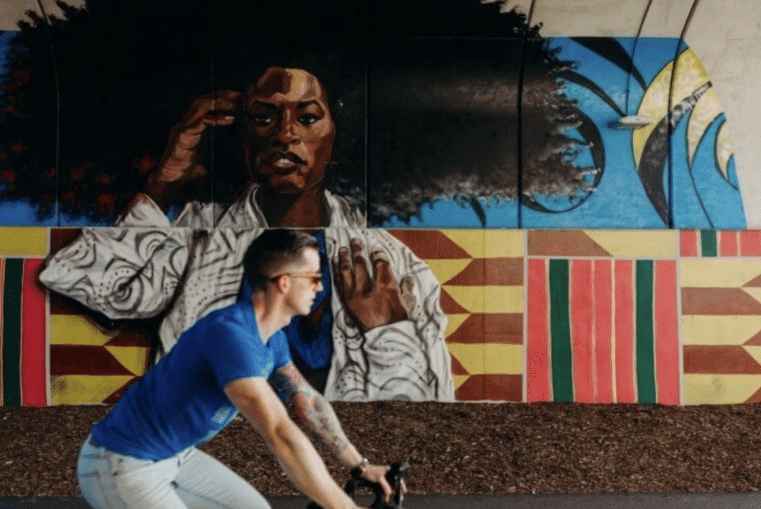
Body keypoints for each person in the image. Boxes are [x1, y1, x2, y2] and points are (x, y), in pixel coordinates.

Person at [40, 66, 453, 402]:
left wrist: (388, 331)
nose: (285, 134)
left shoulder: (391, 265)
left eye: (307, 118)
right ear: (243, 141)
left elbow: (424, 414)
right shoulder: (199, 234)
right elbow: (86, 281)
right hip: (209, 451)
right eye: (263, 118)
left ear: (333, 136)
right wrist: (165, 178)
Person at [77, 229, 397, 509]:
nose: (320, 287)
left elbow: (307, 403)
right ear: (284, 283)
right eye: (313, 277)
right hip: (123, 464)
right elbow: (279, 434)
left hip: (177, 457)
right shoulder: (231, 335)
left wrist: (360, 466)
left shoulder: (271, 338)